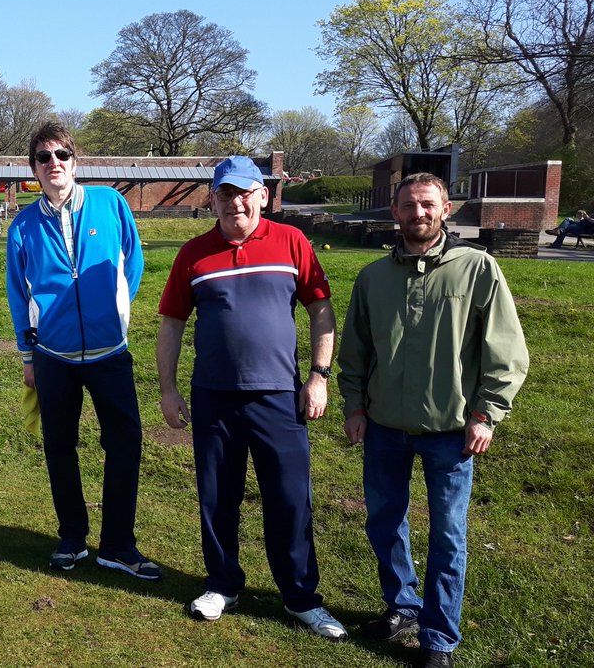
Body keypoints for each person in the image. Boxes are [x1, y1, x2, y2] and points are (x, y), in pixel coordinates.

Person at [338, 172, 529, 668]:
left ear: (446, 209)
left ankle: (438, 637)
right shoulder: (372, 278)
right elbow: (355, 352)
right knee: (384, 522)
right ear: (395, 212)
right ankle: (401, 606)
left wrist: (487, 413)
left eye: (427, 204)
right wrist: (354, 406)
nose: (417, 213)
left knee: (448, 534)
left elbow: (505, 353)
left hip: (452, 433)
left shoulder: (477, 269)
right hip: (383, 428)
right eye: (408, 205)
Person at [156, 155, 347, 639]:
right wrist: (169, 388)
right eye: (225, 193)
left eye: (244, 192)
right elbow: (172, 323)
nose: (234, 202)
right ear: (213, 198)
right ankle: (222, 584)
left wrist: (319, 376)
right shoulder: (193, 254)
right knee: (218, 497)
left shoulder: (292, 242)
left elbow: (321, 311)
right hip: (214, 397)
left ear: (263, 194)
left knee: (289, 500)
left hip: (280, 396)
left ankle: (301, 598)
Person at [5, 122, 158, 580]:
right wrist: (28, 356)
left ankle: (117, 545)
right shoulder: (23, 225)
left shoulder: (110, 204)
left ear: (76, 160)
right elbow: (18, 293)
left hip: (111, 352)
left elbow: (134, 261)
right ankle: (72, 537)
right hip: (55, 357)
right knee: (60, 446)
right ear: (32, 168)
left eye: (62, 155)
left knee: (125, 444)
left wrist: (115, 309)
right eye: (43, 156)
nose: (54, 163)